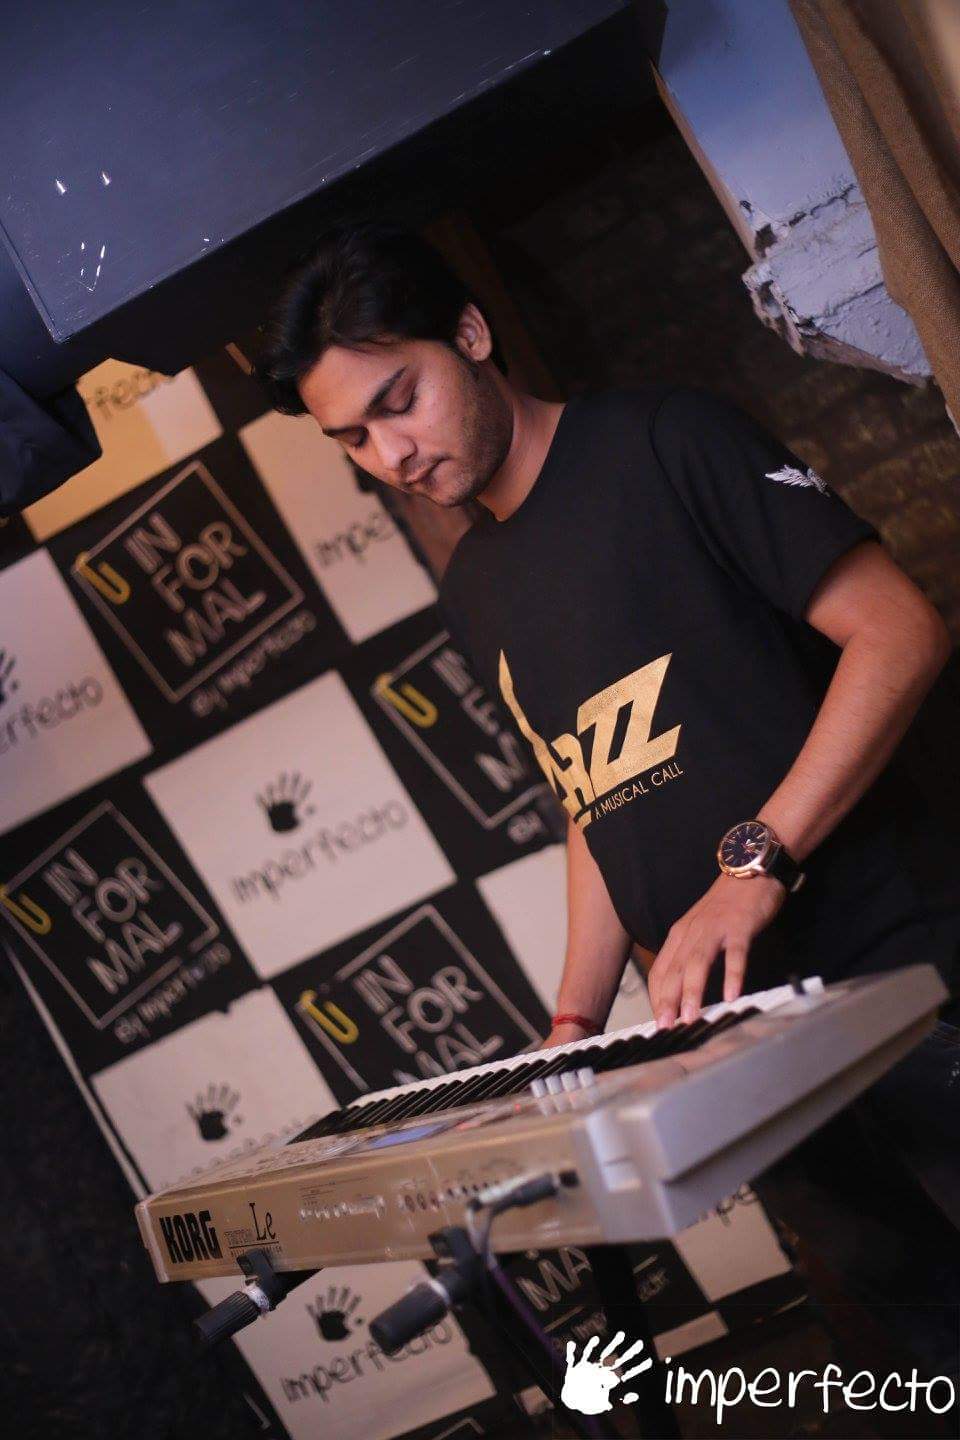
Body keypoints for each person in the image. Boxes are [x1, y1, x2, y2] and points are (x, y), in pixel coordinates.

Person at [258, 219, 960, 1375]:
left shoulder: (668, 439)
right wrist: (573, 1031)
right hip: (729, 1046)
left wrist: (752, 866)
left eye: (399, 401)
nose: (391, 454)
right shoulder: (475, 587)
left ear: (470, 334)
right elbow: (594, 799)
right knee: (922, 1335)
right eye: (353, 439)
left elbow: (898, 631)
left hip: (904, 969)